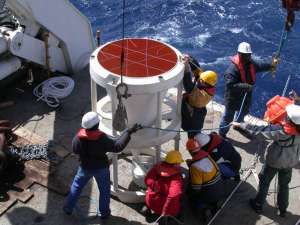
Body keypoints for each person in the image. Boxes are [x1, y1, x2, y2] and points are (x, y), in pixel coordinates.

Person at [63, 112, 141, 219]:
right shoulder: (102, 139)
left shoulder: (78, 138)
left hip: (84, 167)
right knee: (104, 191)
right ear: (97, 124)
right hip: (101, 169)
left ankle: (68, 208)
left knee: (76, 187)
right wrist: (129, 132)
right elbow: (117, 146)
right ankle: (104, 214)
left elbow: (75, 150)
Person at [232, 104, 300, 217]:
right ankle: (282, 209)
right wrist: (296, 100)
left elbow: (260, 131)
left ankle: (258, 204)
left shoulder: (282, 131)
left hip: (274, 161)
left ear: (290, 120)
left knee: (264, 182)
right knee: (284, 185)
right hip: (290, 161)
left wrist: (240, 125)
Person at [219, 42, 279, 138]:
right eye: (245, 55)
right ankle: (222, 135)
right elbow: (230, 85)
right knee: (228, 117)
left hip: (245, 96)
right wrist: (246, 87)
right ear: (239, 54)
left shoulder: (250, 63)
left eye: (249, 54)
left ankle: (238, 126)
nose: (248, 56)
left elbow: (260, 65)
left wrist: (271, 64)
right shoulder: (232, 69)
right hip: (233, 98)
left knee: (242, 113)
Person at [181, 55, 218, 138]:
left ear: (204, 83)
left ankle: (194, 148)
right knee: (196, 132)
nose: (199, 79)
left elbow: (188, 85)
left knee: (193, 135)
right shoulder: (208, 84)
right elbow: (198, 71)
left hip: (193, 115)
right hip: (199, 113)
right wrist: (190, 58)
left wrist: (186, 67)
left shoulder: (201, 96)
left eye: (201, 80)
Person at [144, 150, 184, 221]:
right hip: (163, 207)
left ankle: (148, 210)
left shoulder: (156, 168)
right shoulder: (176, 178)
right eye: (179, 163)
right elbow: (173, 196)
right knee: (181, 203)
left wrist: (156, 187)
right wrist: (165, 211)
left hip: (151, 201)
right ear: (176, 164)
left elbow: (147, 180)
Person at [185, 139, 224, 209]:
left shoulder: (195, 167)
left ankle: (203, 209)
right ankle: (214, 203)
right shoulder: (208, 156)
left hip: (209, 194)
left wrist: (188, 193)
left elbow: (196, 188)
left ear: (190, 151)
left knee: (190, 196)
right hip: (220, 188)